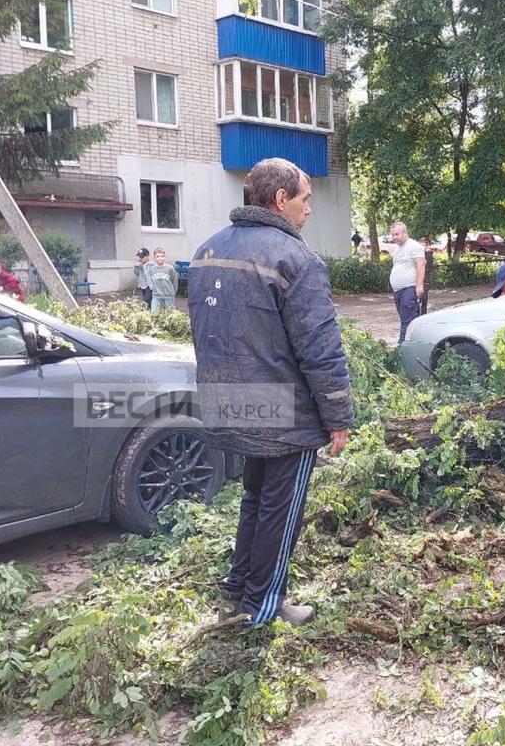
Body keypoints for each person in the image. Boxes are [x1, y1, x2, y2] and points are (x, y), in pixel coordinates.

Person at [188, 157, 354, 627]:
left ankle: (238, 587)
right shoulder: (295, 259)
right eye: (306, 199)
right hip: (283, 412)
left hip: (227, 400)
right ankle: (262, 607)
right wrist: (338, 415)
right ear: (281, 200)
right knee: (279, 511)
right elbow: (320, 348)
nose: (310, 210)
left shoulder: (207, 251)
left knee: (256, 498)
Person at [388, 221, 426, 343]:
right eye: (393, 235)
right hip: (398, 291)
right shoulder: (398, 250)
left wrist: (419, 285)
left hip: (409, 289)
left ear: (405, 233)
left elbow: (420, 265)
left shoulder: (414, 246)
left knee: (406, 322)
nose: (394, 237)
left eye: (397, 234)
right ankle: (415, 344)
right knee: (407, 320)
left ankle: (401, 349)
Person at [147, 248, 178, 312]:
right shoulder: (152, 269)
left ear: (165, 257)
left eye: (162, 256)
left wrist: (172, 293)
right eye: (157, 256)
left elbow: (174, 281)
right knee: (154, 313)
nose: (160, 258)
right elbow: (152, 282)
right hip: (156, 295)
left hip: (168, 295)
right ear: (154, 258)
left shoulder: (170, 269)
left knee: (170, 314)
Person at [418, 238, 436, 315]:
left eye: (424, 245)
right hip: (416, 280)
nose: (422, 247)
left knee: (424, 299)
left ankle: (423, 314)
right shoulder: (417, 255)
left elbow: (430, 267)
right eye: (420, 245)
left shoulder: (428, 255)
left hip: (425, 280)